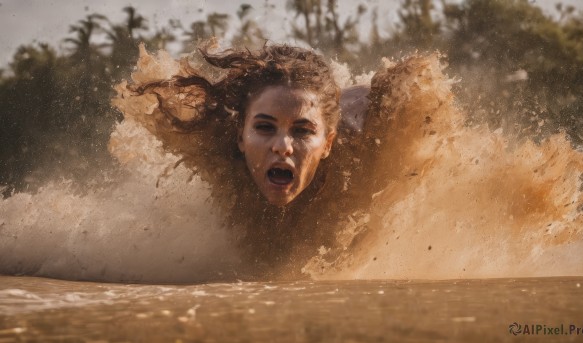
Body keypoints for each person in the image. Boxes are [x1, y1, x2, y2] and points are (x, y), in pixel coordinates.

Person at [112, 43, 434, 278]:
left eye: (302, 132)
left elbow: (416, 87)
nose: (282, 147)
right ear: (241, 135)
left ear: (327, 144)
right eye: (264, 128)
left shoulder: (358, 158)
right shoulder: (218, 148)